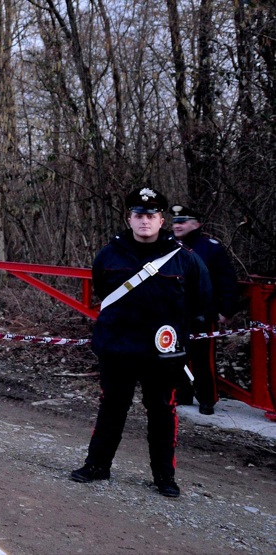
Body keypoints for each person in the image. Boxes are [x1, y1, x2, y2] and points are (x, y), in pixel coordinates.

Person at [71, 187, 211, 498]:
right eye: (138, 215)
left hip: (161, 354)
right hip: (117, 348)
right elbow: (102, 292)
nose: (144, 221)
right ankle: (97, 466)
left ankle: (164, 476)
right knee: (112, 409)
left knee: (162, 412)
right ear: (129, 219)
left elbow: (201, 301)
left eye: (151, 215)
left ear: (162, 220)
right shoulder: (109, 255)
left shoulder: (185, 260)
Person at [170, 204, 240, 415]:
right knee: (174, 355)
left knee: (202, 359)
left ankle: (207, 399)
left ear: (196, 224)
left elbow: (227, 281)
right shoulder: (168, 246)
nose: (177, 225)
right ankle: (183, 394)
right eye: (174, 222)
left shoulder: (211, 248)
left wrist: (226, 311)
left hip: (201, 313)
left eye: (182, 221)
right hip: (174, 312)